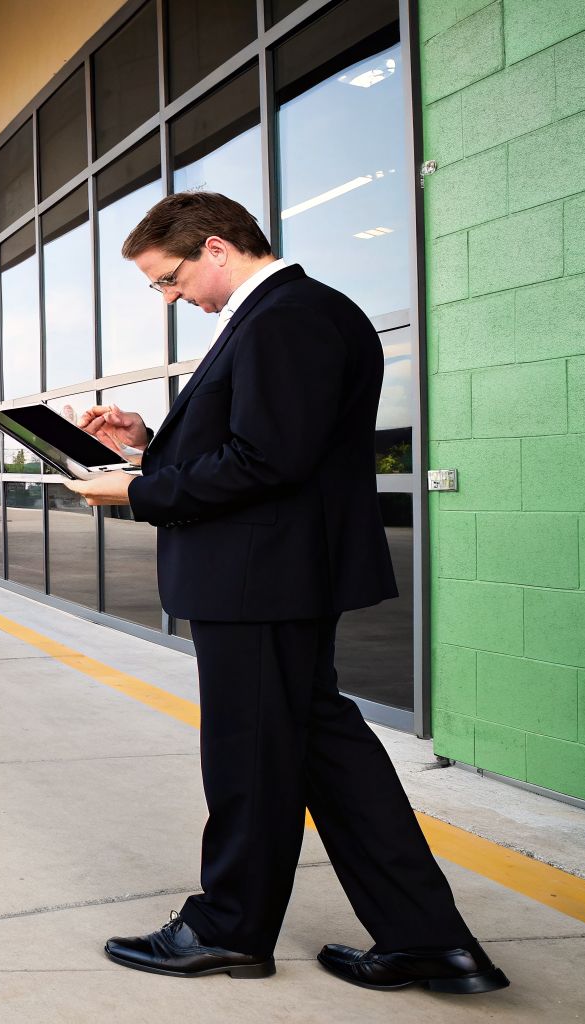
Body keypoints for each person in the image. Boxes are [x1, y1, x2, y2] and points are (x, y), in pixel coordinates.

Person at [64, 191, 508, 995]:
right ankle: (430, 941)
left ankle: (228, 928)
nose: (172, 300)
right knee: (325, 752)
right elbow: (262, 443)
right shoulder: (292, 313)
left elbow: (267, 461)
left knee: (249, 760)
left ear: (216, 249)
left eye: (168, 280)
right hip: (271, 573)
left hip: (259, 581)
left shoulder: (286, 316)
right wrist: (145, 443)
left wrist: (137, 493)